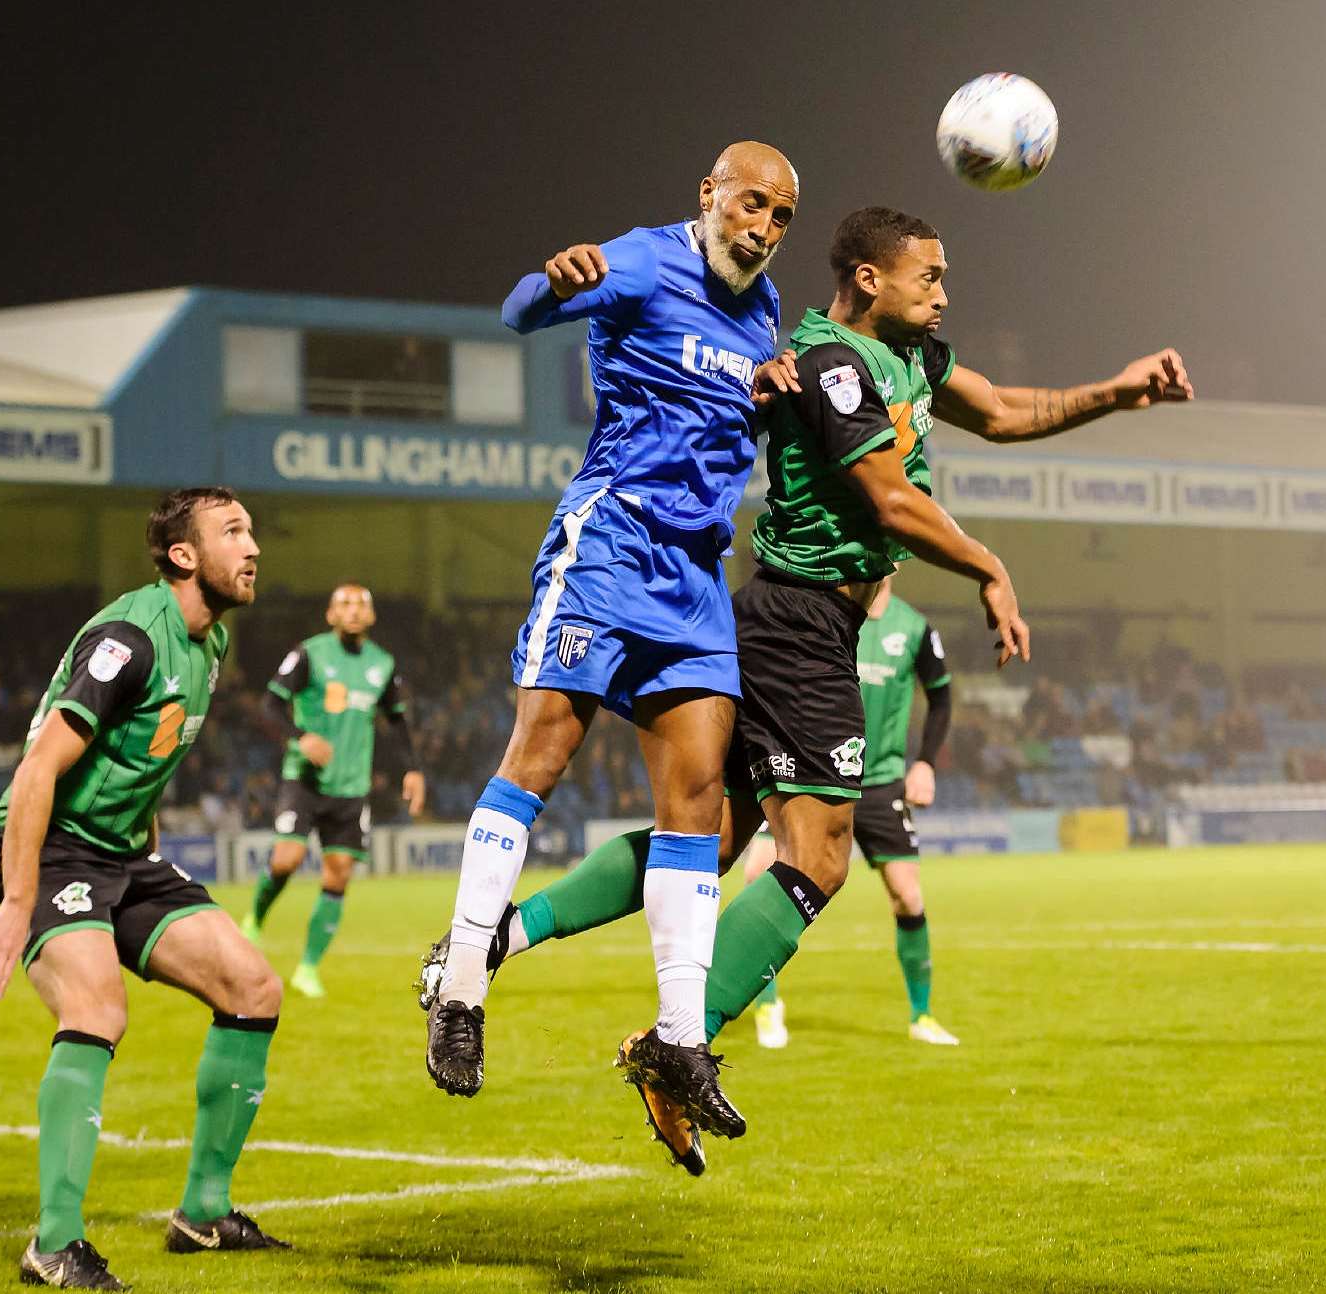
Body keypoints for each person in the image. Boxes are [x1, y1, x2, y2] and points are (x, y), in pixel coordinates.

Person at [451, 205, 1191, 1174]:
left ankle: (497, 938)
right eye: (928, 275)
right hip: (801, 624)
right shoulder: (832, 360)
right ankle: (679, 1047)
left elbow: (1007, 410)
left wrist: (1119, 390)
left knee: (709, 841)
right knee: (823, 854)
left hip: (791, 621)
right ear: (871, 279)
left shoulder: (909, 358)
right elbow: (887, 496)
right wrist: (987, 564)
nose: (943, 290)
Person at [418, 141, 802, 1150]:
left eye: (781, 217)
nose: (763, 228)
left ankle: (680, 1041)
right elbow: (516, 314)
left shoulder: (763, 311)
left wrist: (765, 396)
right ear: (708, 195)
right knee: (540, 752)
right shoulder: (640, 259)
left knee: (699, 799)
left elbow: (728, 412)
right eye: (751, 205)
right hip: (609, 541)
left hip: (694, 573)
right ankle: (460, 983)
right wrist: (551, 281)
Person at [0, 488, 288, 1289]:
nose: (252, 548)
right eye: (232, 533)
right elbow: (38, 768)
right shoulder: (130, 638)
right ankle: (55, 1246)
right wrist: (15, 900)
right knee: (98, 1008)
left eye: (250, 531)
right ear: (184, 555)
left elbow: (144, 756)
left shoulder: (210, 644)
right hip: (50, 849)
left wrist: (144, 846)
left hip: (121, 854)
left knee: (252, 986)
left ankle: (204, 1216)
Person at [742, 573, 958, 1048]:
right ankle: (767, 1005)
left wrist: (924, 762)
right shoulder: (822, 613)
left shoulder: (914, 628)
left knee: (908, 896)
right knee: (759, 872)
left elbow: (941, 695)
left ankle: (921, 1016)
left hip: (880, 781)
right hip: (811, 771)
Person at [241, 584, 425, 998]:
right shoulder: (310, 654)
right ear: (330, 614)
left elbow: (397, 721)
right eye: (345, 604)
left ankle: (307, 968)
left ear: (372, 617)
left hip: (351, 785)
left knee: (338, 872)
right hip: (304, 778)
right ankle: (253, 919)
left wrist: (412, 769)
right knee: (286, 860)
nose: (354, 611)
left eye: (362, 604)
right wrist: (299, 736)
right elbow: (269, 705)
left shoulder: (382, 664)